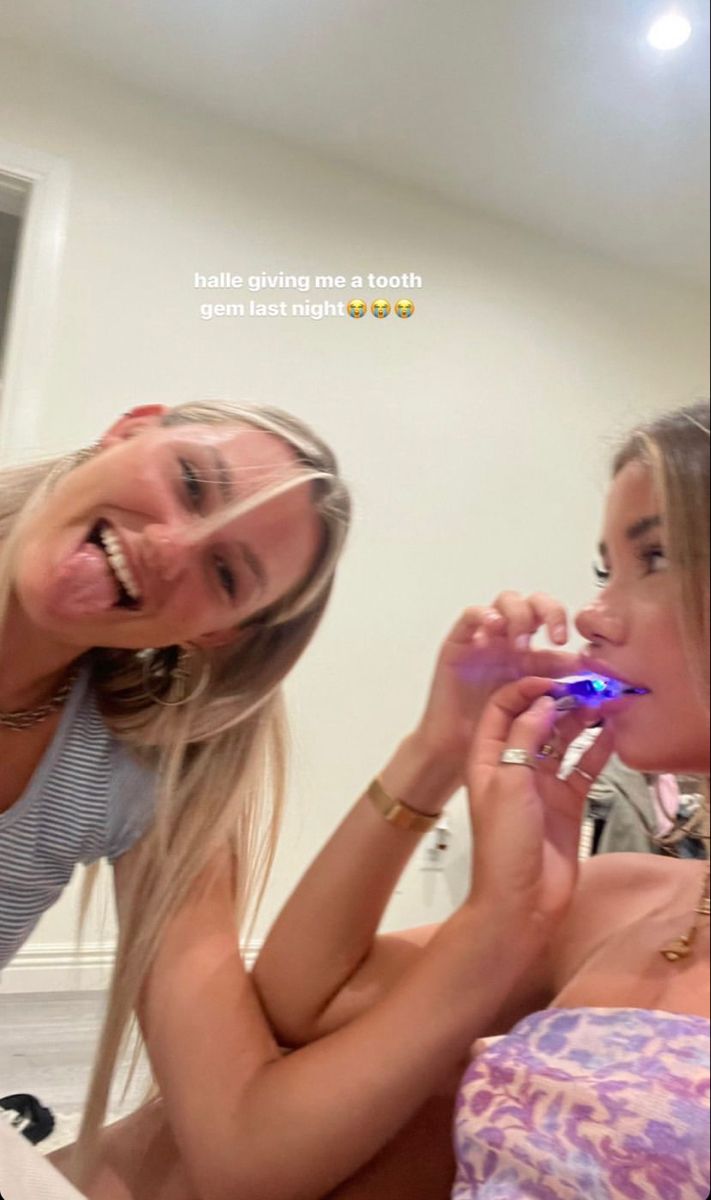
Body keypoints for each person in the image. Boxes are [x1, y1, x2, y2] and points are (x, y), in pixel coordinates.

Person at [0, 399, 585, 1199]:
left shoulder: (145, 772)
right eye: (191, 481)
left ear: (218, 632)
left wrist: (438, 750)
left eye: (227, 574)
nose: (170, 545)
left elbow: (242, 1144)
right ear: (129, 428)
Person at [251, 400, 710, 1198]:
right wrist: (437, 747)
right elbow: (302, 999)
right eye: (606, 570)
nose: (593, 617)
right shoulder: (624, 899)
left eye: (658, 557)